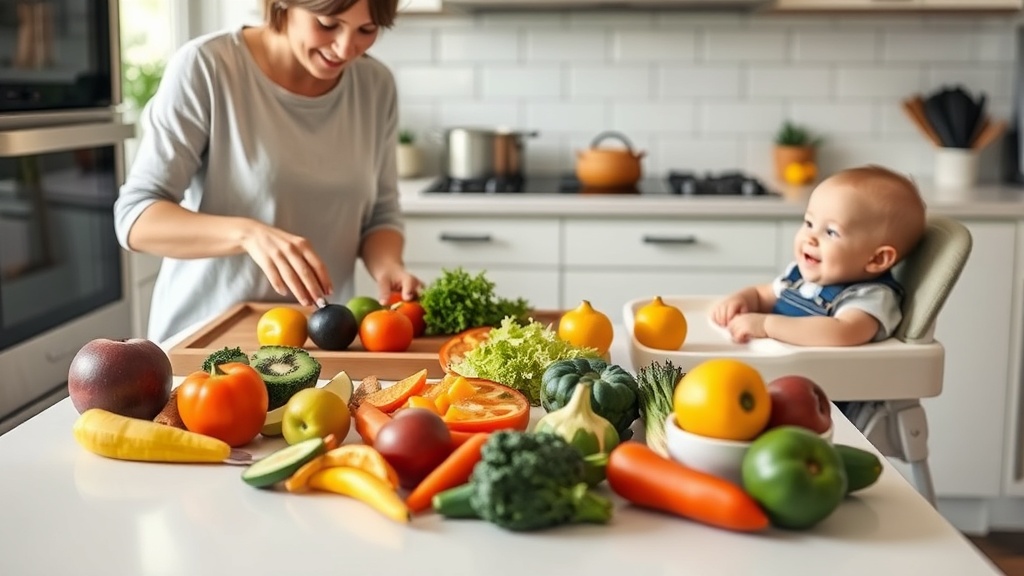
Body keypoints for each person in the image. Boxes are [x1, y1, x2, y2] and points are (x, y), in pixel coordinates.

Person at [114, 0, 421, 344]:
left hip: (318, 343)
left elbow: (381, 214)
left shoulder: (375, 85)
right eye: (327, 24)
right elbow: (136, 218)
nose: (346, 48)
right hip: (207, 344)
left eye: (366, 30)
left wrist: (388, 266)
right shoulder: (208, 67)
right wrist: (248, 235)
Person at [710, 164, 927, 348]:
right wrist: (741, 300)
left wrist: (767, 326)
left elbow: (841, 333)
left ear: (877, 260)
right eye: (809, 223)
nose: (810, 238)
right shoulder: (799, 277)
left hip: (830, 393)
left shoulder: (869, 297)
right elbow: (762, 294)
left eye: (831, 232)